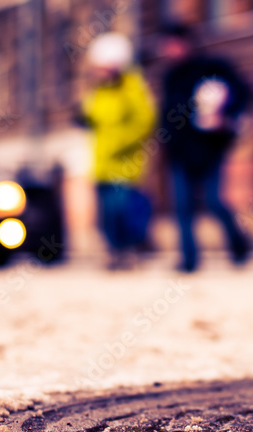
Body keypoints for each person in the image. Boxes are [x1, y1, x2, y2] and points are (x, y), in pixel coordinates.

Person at [159, 23, 253, 273]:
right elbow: (166, 115)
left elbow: (241, 93)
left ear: (186, 43)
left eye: (173, 45)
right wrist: (166, 142)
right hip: (180, 153)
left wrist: (228, 117)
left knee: (214, 201)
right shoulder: (170, 77)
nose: (169, 50)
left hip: (209, 150)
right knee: (183, 207)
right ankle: (189, 259)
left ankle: (238, 245)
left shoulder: (212, 68)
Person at [81, 32, 157, 270]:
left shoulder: (132, 88)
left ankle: (131, 250)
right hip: (102, 162)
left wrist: (120, 144)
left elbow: (144, 121)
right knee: (107, 215)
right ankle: (114, 252)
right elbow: (94, 118)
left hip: (124, 163)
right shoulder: (99, 91)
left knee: (124, 210)